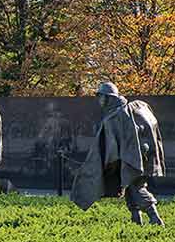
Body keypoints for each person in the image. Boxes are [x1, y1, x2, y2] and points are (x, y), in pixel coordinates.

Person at [71, 81, 165, 225]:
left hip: (130, 159)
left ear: (110, 98)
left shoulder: (116, 116)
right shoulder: (128, 110)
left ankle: (155, 218)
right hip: (134, 157)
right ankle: (136, 218)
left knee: (136, 187)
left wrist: (107, 164)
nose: (99, 100)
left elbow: (114, 146)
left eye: (102, 97)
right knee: (128, 186)